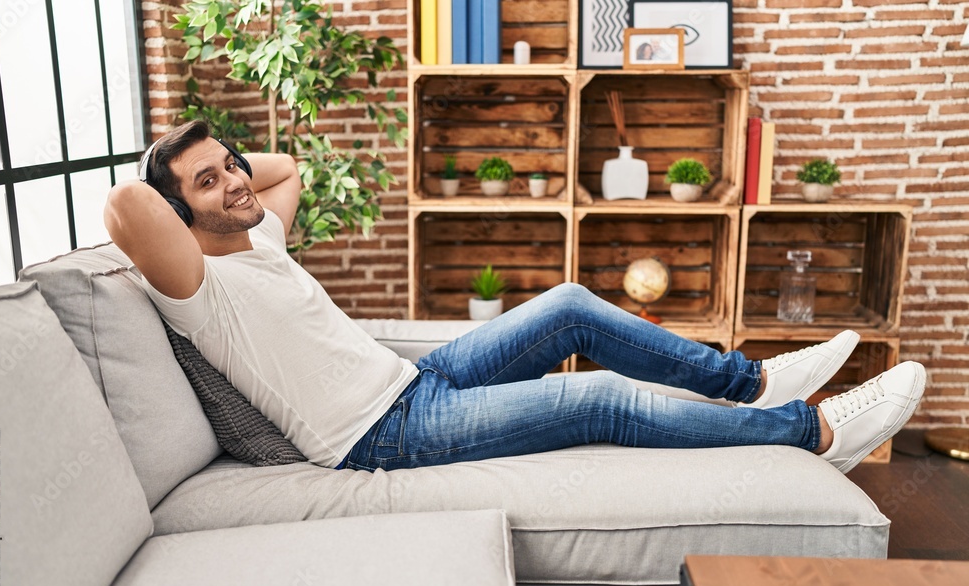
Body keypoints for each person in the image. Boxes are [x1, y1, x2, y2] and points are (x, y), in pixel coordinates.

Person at [104, 120, 926, 476]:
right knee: (594, 397)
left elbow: (283, 174)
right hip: (376, 435)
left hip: (413, 381)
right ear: (179, 214)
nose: (235, 183)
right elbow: (124, 209)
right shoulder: (198, 289)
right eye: (206, 183)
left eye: (230, 164)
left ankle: (750, 382)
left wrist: (223, 168)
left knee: (567, 299)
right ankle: (809, 430)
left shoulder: (259, 239)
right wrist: (169, 167)